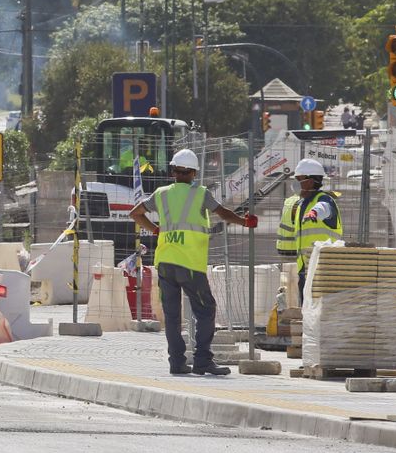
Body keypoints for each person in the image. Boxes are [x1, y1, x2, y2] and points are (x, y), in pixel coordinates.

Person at [129, 148, 256, 376]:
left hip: (165, 262)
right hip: (189, 263)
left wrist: (155, 229)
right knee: (206, 310)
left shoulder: (161, 193)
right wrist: (245, 222)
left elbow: (135, 213)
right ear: (194, 173)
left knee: (172, 315)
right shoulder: (201, 193)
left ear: (173, 171)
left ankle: (177, 363)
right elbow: (224, 213)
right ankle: (202, 361)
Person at [277, 157, 342, 305]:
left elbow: (324, 208)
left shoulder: (324, 199)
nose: (295, 184)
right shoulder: (301, 204)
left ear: (311, 181)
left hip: (323, 269)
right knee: (307, 311)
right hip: (306, 268)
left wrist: (315, 213)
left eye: (299, 179)